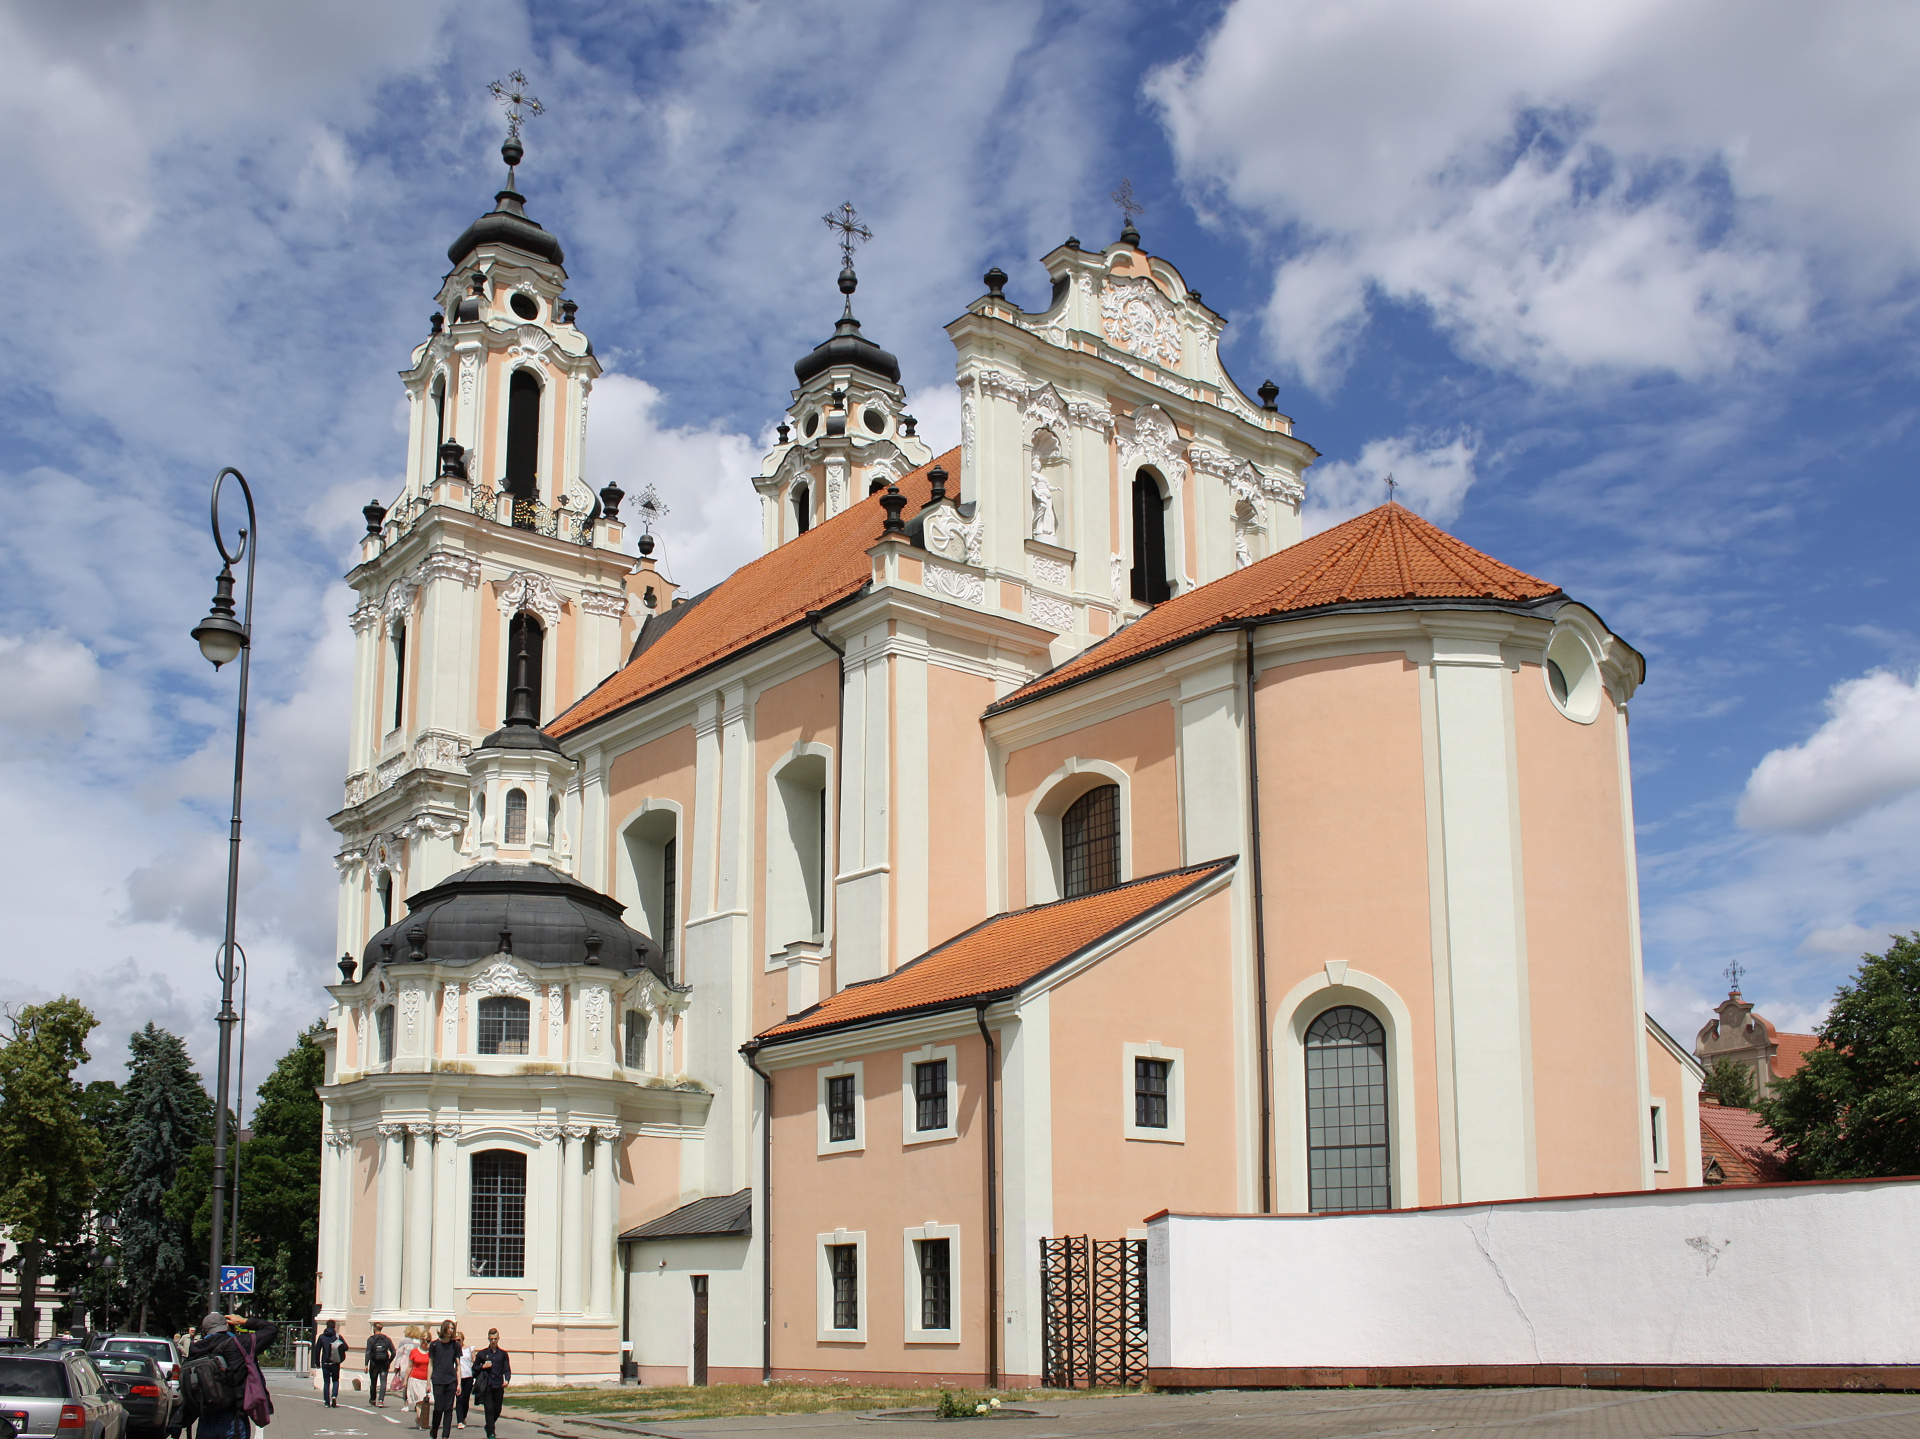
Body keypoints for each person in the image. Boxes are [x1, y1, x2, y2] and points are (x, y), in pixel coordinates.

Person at [185, 1312, 281, 1439]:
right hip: (233, 1419)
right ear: (227, 1327)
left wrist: (177, 1424)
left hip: (205, 1420)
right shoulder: (240, 1344)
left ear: (204, 1332)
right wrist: (243, 1321)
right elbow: (271, 1329)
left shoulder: (196, 1349)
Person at [469, 1330, 511, 1439]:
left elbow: (507, 1369)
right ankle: (491, 1433)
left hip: (498, 1385)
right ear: (488, 1339)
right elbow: (474, 1367)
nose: (493, 1341)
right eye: (491, 1339)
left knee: (497, 1409)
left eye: (495, 1339)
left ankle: (488, 1426)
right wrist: (483, 1366)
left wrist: (507, 1380)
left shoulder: (503, 1354)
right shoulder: (482, 1354)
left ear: (498, 1339)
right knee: (489, 1409)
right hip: (487, 1385)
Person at [427, 1321, 462, 1439]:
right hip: (438, 1380)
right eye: (449, 1328)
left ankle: (445, 1435)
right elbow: (430, 1364)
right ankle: (435, 1429)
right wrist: (428, 1382)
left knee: (448, 1409)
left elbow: (458, 1365)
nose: (451, 1330)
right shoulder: (434, 1345)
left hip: (451, 1380)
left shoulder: (455, 1345)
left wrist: (459, 1384)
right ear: (444, 1329)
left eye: (453, 1328)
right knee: (438, 1408)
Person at [403, 1329, 432, 1430]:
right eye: (423, 1340)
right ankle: (420, 1419)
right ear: (420, 1340)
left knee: (425, 1401)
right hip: (415, 1379)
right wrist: (405, 1380)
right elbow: (410, 1366)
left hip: (427, 1380)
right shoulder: (414, 1352)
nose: (425, 1343)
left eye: (428, 1340)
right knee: (419, 1400)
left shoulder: (431, 1353)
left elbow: (432, 1366)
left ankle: (419, 1419)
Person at [314, 1320, 348, 1408]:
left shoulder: (322, 1337)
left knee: (326, 1382)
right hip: (335, 1362)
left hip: (325, 1362)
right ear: (334, 1327)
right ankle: (334, 1395)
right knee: (335, 1380)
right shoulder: (337, 1336)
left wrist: (317, 1363)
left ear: (326, 1326)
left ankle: (326, 1402)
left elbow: (317, 1350)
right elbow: (346, 1347)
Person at [365, 1323, 396, 1408]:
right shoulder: (387, 1339)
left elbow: (368, 1352)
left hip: (374, 1363)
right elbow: (393, 1352)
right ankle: (381, 1401)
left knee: (373, 1382)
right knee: (383, 1382)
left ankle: (373, 1399)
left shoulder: (371, 1339)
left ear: (374, 1329)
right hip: (384, 1363)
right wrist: (389, 1361)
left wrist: (366, 1364)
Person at [453, 1333, 473, 1430]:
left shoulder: (469, 1349)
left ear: (463, 1340)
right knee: (459, 1399)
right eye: (455, 1340)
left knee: (466, 1399)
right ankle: (460, 1420)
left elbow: (474, 1361)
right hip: (458, 1377)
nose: (457, 1342)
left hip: (468, 1376)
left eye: (459, 1340)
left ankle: (463, 1416)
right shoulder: (452, 1350)